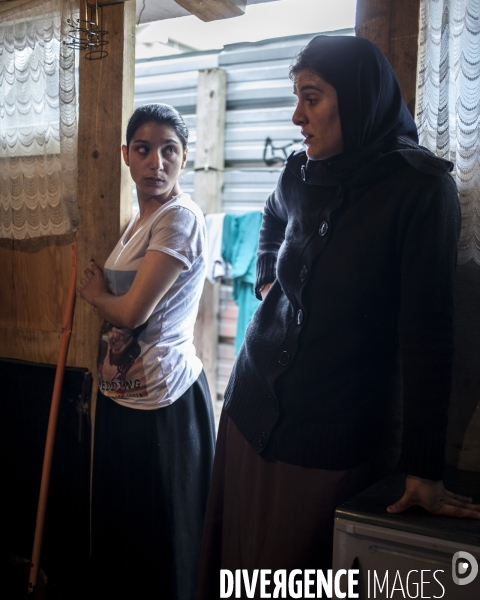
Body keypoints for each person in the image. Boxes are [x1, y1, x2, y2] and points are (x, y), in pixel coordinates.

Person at [195, 35, 480, 599]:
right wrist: (267, 274)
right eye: (295, 97)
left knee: (293, 578)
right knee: (236, 572)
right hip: (249, 411)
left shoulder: (421, 190)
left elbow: (429, 333)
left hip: (328, 437)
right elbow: (273, 214)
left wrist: (424, 468)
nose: (297, 116)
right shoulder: (301, 173)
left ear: (358, 98)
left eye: (312, 97)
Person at [78, 103, 216, 600]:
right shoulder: (141, 217)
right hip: (124, 397)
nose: (156, 161)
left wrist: (95, 295)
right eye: (143, 149)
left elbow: (133, 313)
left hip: (166, 403)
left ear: (184, 158)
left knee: (164, 550)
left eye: (169, 150)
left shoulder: (179, 218)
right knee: (130, 544)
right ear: (126, 156)